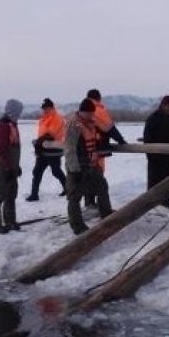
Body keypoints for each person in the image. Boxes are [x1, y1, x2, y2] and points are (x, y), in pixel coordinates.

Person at [64, 98, 113, 235]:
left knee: (102, 186)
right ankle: (77, 226)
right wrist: (75, 170)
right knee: (74, 197)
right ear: (82, 112)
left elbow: (95, 142)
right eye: (90, 113)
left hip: (91, 165)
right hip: (77, 168)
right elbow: (70, 149)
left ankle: (106, 213)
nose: (92, 116)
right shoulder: (74, 125)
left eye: (93, 113)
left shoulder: (91, 123)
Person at [84, 89, 127, 208]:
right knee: (98, 174)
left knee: (88, 174)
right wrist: (121, 140)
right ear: (98, 98)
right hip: (98, 147)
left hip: (85, 149)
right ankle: (97, 204)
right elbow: (109, 128)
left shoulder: (83, 110)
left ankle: (89, 202)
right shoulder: (98, 110)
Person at [0, 99, 23, 236]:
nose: (20, 115)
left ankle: (10, 221)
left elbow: (13, 149)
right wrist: (8, 167)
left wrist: (16, 166)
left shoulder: (12, 125)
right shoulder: (2, 126)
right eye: (18, 112)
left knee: (11, 194)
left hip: (10, 166)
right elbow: (1, 149)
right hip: (0, 166)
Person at [25, 98, 67, 201]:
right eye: (43, 108)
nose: (44, 110)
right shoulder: (43, 119)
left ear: (51, 108)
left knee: (56, 171)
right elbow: (43, 135)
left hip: (53, 149)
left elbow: (50, 134)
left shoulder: (57, 118)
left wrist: (37, 142)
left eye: (46, 108)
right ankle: (34, 194)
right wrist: (38, 144)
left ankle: (68, 188)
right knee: (37, 171)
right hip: (43, 149)